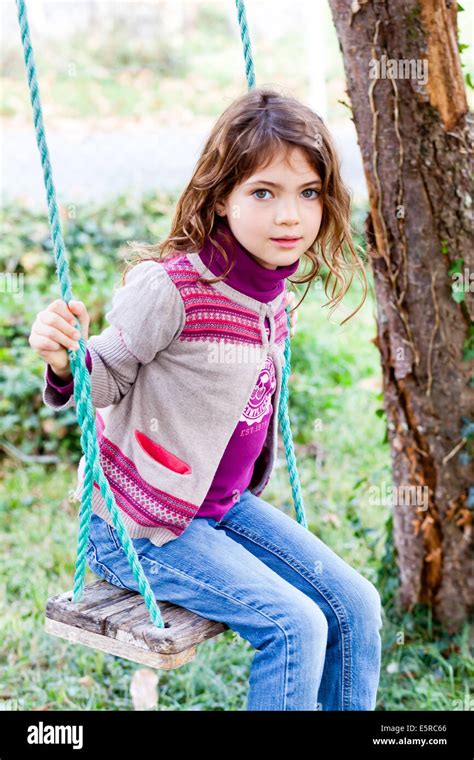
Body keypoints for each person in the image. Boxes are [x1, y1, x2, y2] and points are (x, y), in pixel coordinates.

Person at [29, 87, 382, 711]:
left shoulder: (273, 291)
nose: (290, 218)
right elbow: (106, 373)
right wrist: (64, 359)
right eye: (263, 193)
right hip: (138, 527)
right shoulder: (172, 288)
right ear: (222, 198)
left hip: (220, 509)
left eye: (308, 194)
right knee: (294, 626)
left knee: (356, 606)